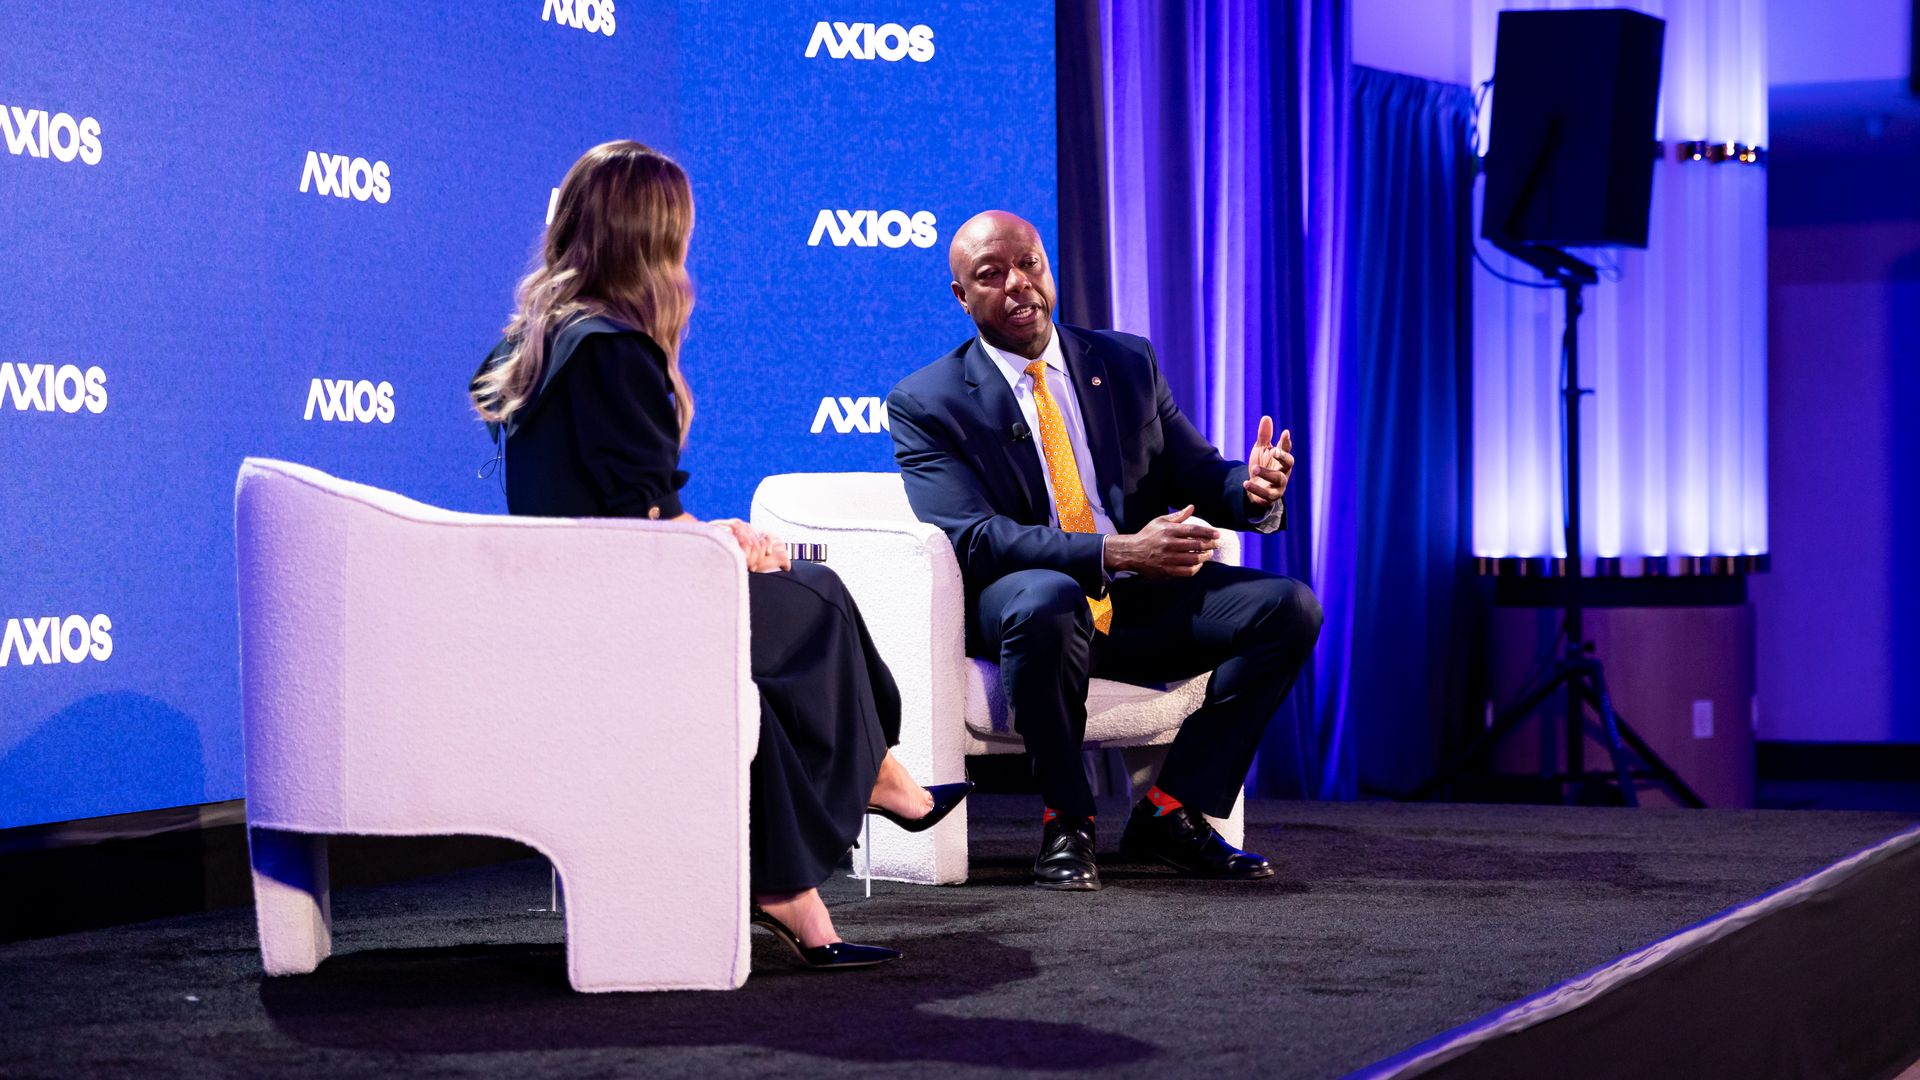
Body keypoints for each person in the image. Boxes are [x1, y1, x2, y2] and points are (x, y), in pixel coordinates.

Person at [470, 140, 969, 967]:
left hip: (576, 601)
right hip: (624, 611)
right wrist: (722, 548)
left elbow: (613, 505)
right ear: (654, 239)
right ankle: (870, 786)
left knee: (792, 626)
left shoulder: (531, 343)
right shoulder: (616, 352)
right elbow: (638, 520)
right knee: (816, 597)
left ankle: (814, 864)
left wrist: (715, 538)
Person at [887, 210, 1322, 891]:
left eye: (1028, 264)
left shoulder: (1124, 363)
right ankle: (1067, 821)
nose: (1017, 285)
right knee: (1047, 598)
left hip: (1140, 606)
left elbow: (1200, 476)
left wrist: (1255, 489)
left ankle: (1171, 811)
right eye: (990, 275)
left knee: (1288, 608)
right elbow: (977, 536)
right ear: (961, 296)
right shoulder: (927, 400)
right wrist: (1117, 551)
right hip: (1032, 608)